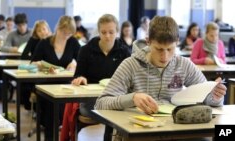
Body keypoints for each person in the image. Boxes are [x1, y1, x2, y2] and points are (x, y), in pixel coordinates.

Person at [95, 16, 226, 116]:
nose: (165, 57)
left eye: (170, 49)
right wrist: (132, 98)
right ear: (148, 41)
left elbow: (208, 99)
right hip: (139, 130)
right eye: (159, 49)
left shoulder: (184, 65)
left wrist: (215, 96)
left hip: (174, 129)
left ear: (177, 42)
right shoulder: (130, 65)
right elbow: (101, 103)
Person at [60, 14, 131, 141]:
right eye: (103, 32)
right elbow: (78, 75)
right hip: (91, 101)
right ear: (98, 32)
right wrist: (80, 79)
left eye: (111, 32)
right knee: (113, 116)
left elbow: (130, 80)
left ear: (117, 32)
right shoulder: (86, 50)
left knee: (118, 113)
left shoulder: (124, 52)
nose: (107, 36)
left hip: (115, 99)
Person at [31, 15, 80, 141]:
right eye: (64, 32)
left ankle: (63, 135)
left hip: (65, 84)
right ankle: (50, 136)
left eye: (69, 34)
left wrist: (74, 63)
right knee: (51, 108)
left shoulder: (73, 42)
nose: (66, 36)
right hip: (46, 84)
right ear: (58, 28)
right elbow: (33, 63)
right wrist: (43, 66)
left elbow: (81, 62)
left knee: (66, 106)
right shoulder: (45, 42)